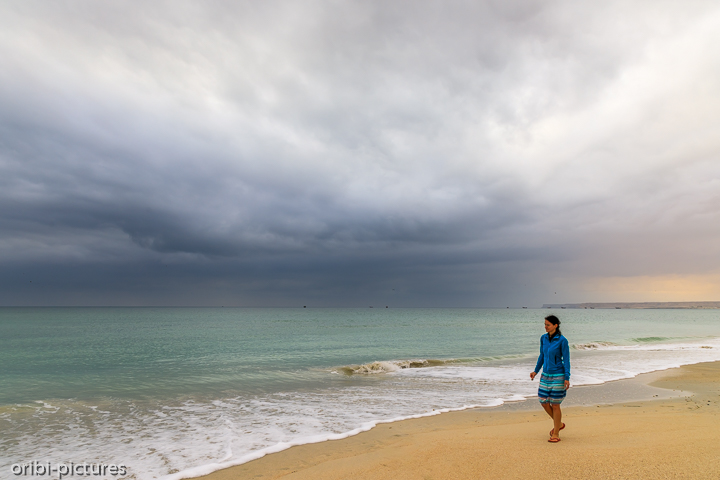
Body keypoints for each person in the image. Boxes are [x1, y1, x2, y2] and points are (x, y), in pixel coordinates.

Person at [530, 315, 570, 442]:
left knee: (555, 404)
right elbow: (541, 355)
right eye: (545, 324)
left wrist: (567, 377)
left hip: (558, 375)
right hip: (545, 375)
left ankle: (556, 433)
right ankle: (558, 424)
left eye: (548, 324)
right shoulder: (543, 338)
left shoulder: (562, 340)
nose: (545, 326)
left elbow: (567, 360)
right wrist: (535, 371)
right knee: (543, 401)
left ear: (555, 325)